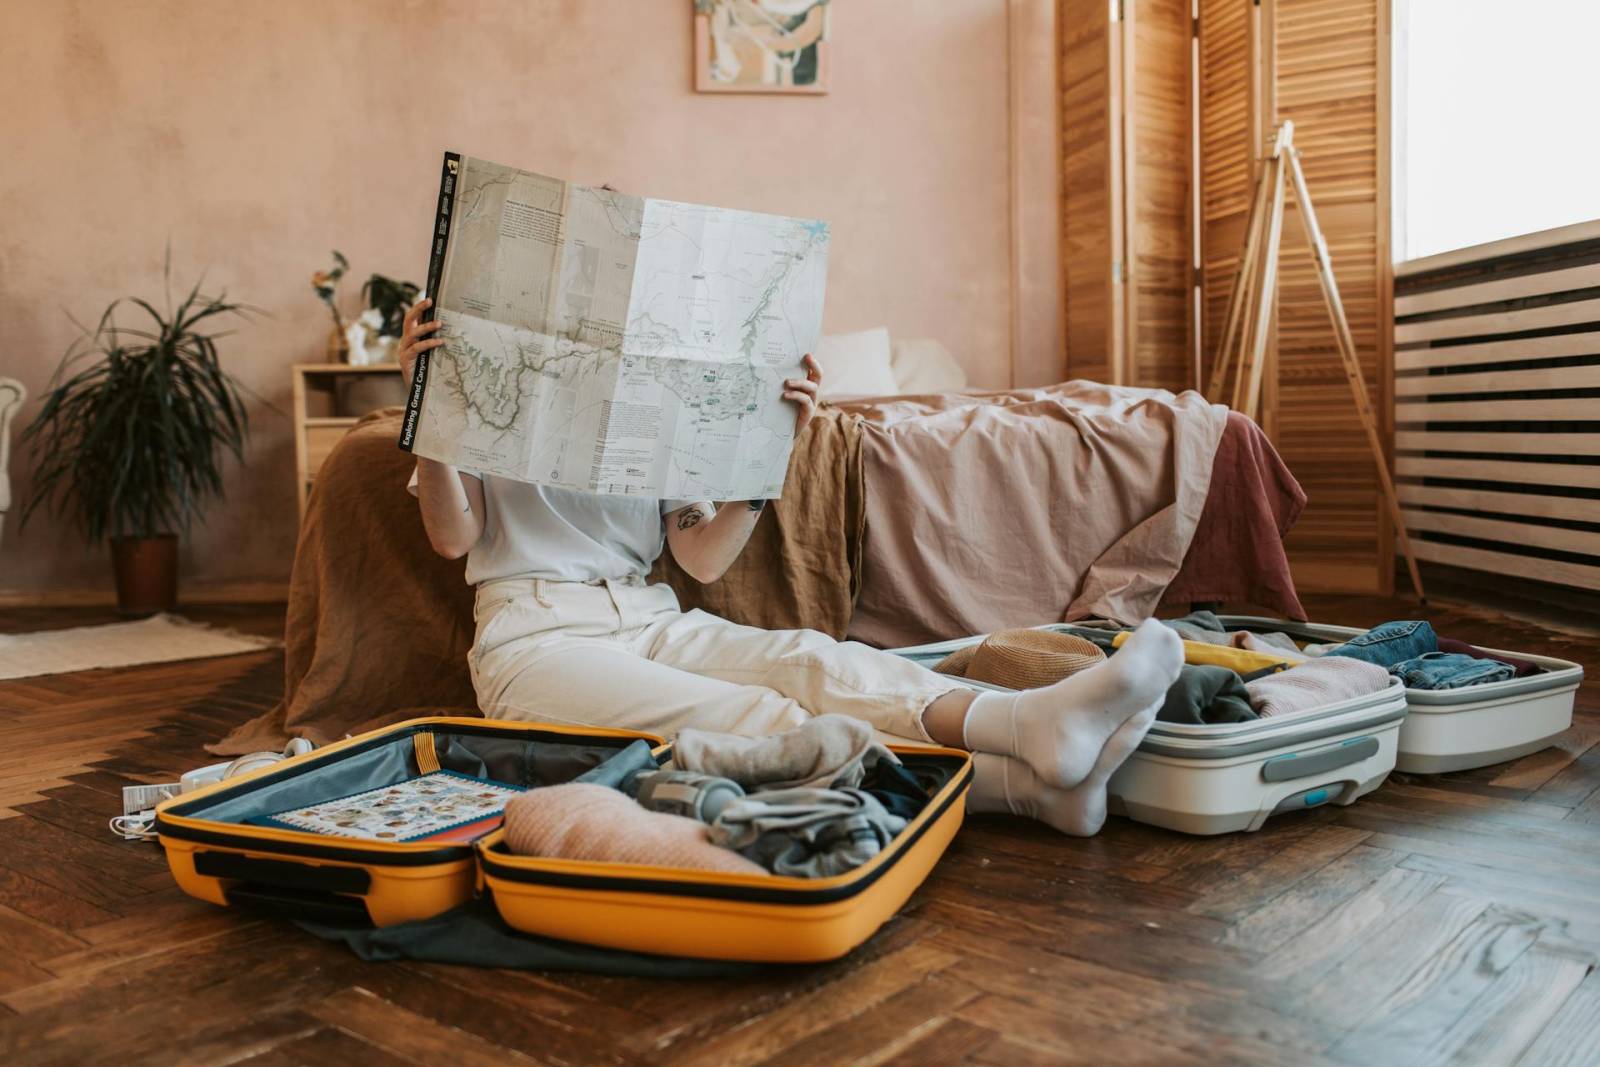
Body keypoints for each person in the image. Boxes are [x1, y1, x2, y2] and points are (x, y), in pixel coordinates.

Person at [399, 300, 1183, 836]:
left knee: (811, 659)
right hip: (536, 638)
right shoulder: (483, 383)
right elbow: (451, 538)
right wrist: (428, 410)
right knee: (754, 719)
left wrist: (767, 453)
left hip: (648, 616)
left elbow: (698, 554)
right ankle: (1023, 788)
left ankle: (1032, 728)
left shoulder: (655, 394)